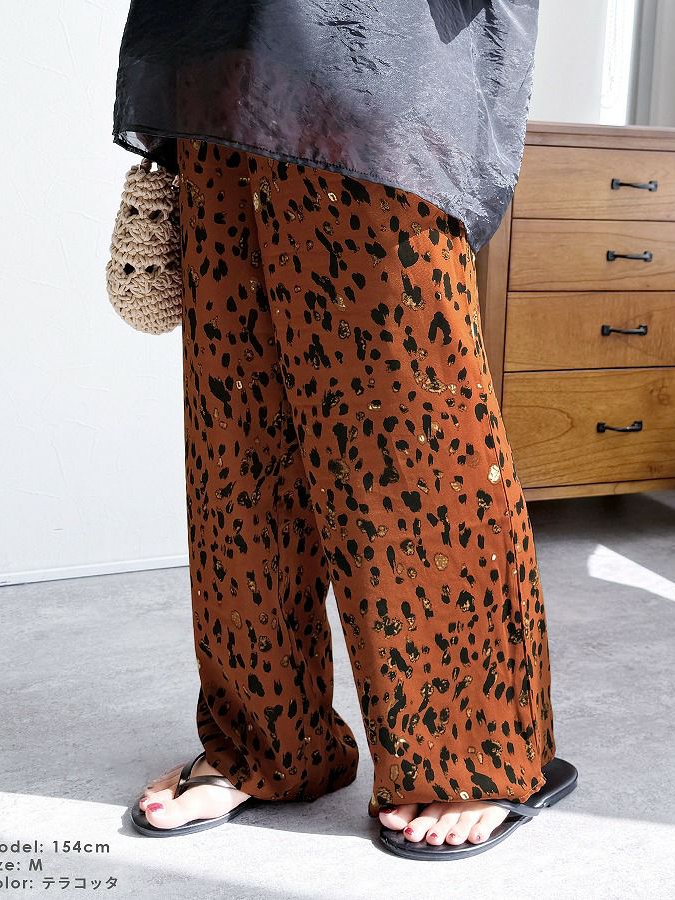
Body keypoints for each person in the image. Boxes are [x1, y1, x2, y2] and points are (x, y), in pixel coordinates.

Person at [113, 0, 578, 859]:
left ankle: (475, 749)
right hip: (220, 59)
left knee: (413, 442)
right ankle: (267, 740)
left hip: (375, 55)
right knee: (237, 439)